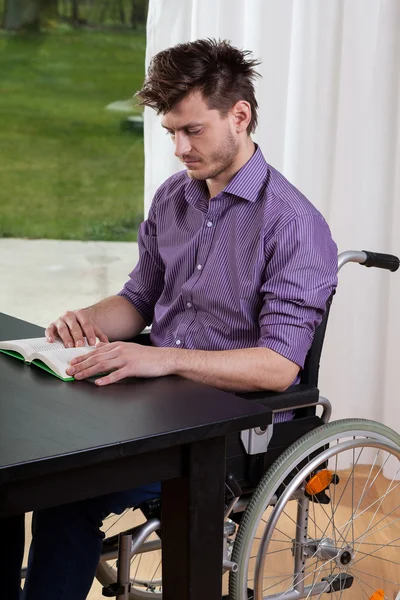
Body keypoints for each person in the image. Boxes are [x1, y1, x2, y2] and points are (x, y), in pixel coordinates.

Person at [3, 39, 338, 599]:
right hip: (155, 403)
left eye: (193, 131)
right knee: (17, 480)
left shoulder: (294, 223)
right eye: (171, 133)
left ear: (240, 115)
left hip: (232, 427)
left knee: (66, 500)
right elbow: (138, 299)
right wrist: (87, 320)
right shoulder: (174, 200)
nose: (180, 148)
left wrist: (158, 357)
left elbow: (280, 367)